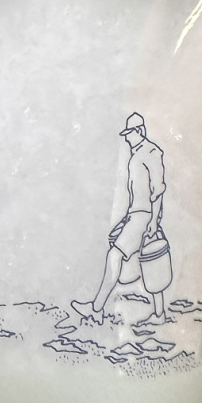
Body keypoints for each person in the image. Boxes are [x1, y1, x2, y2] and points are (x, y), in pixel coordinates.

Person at [72, 113, 167, 325]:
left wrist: (152, 220)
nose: (126, 138)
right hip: (138, 215)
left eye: (129, 134)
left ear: (139, 132)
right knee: (150, 262)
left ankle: (96, 309)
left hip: (144, 216)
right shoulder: (138, 155)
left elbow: (158, 189)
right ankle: (160, 314)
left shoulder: (150, 152)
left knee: (116, 255)